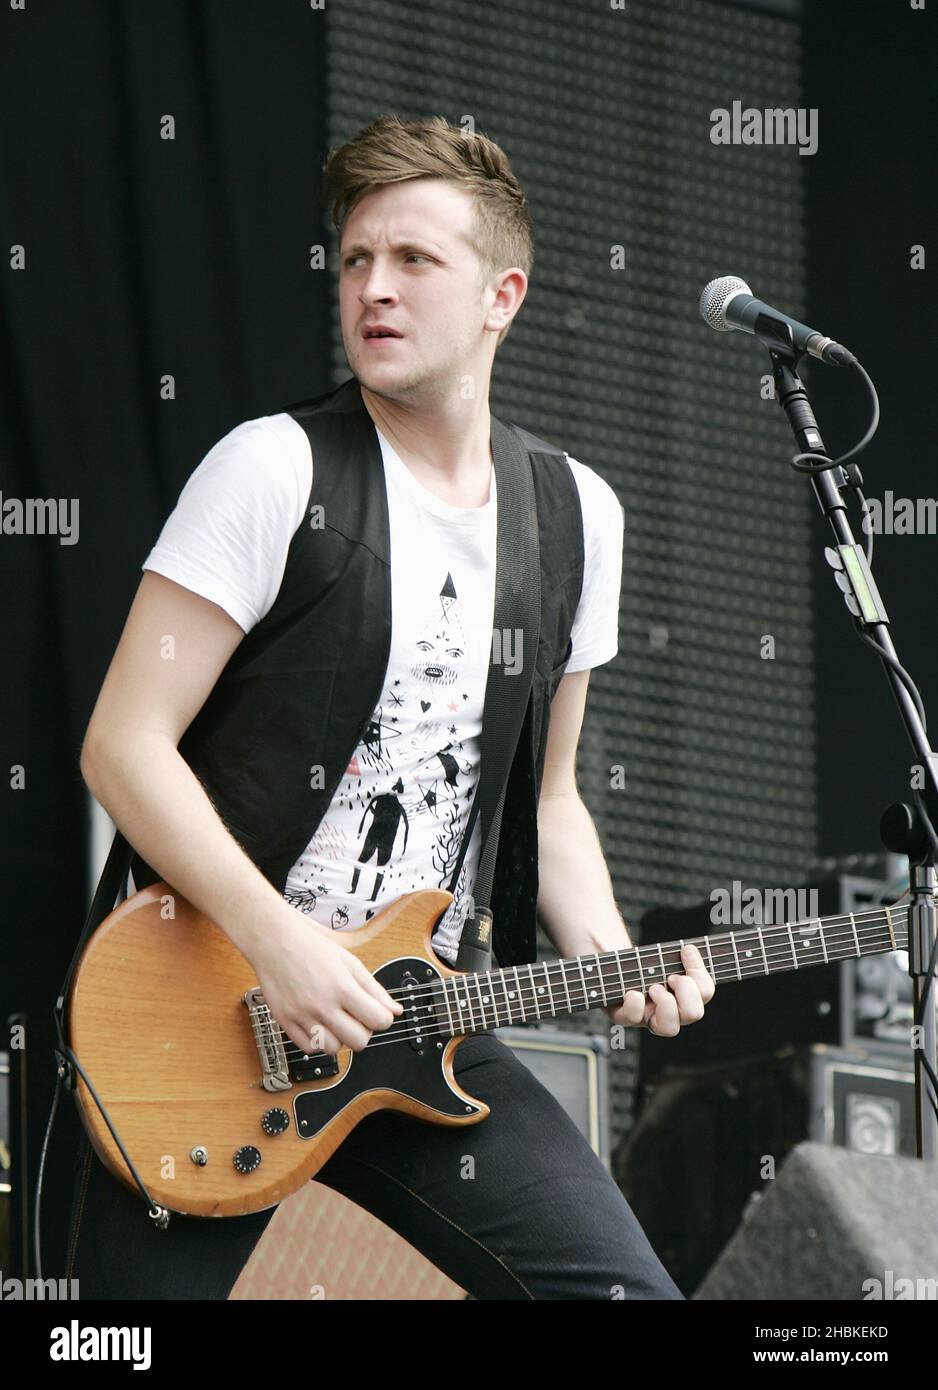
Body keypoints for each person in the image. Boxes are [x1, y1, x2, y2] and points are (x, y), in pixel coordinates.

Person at [65, 114, 715, 1300]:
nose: (373, 288)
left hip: (420, 1020)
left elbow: (550, 797)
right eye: (357, 260)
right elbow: (122, 743)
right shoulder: (273, 469)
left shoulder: (577, 516)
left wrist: (611, 946)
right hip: (197, 1016)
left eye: (415, 261)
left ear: (499, 296)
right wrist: (282, 944)